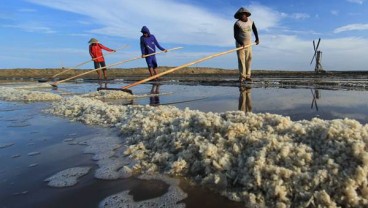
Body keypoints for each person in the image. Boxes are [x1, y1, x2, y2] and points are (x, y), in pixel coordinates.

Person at [234, 7, 260, 83]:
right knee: (241, 60)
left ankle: (248, 76)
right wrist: (241, 43)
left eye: (243, 14)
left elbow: (255, 30)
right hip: (240, 45)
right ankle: (242, 77)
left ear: (246, 15)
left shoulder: (251, 22)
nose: (242, 16)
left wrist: (257, 39)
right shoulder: (237, 24)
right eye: (240, 15)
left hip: (249, 44)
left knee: (249, 59)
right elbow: (235, 36)